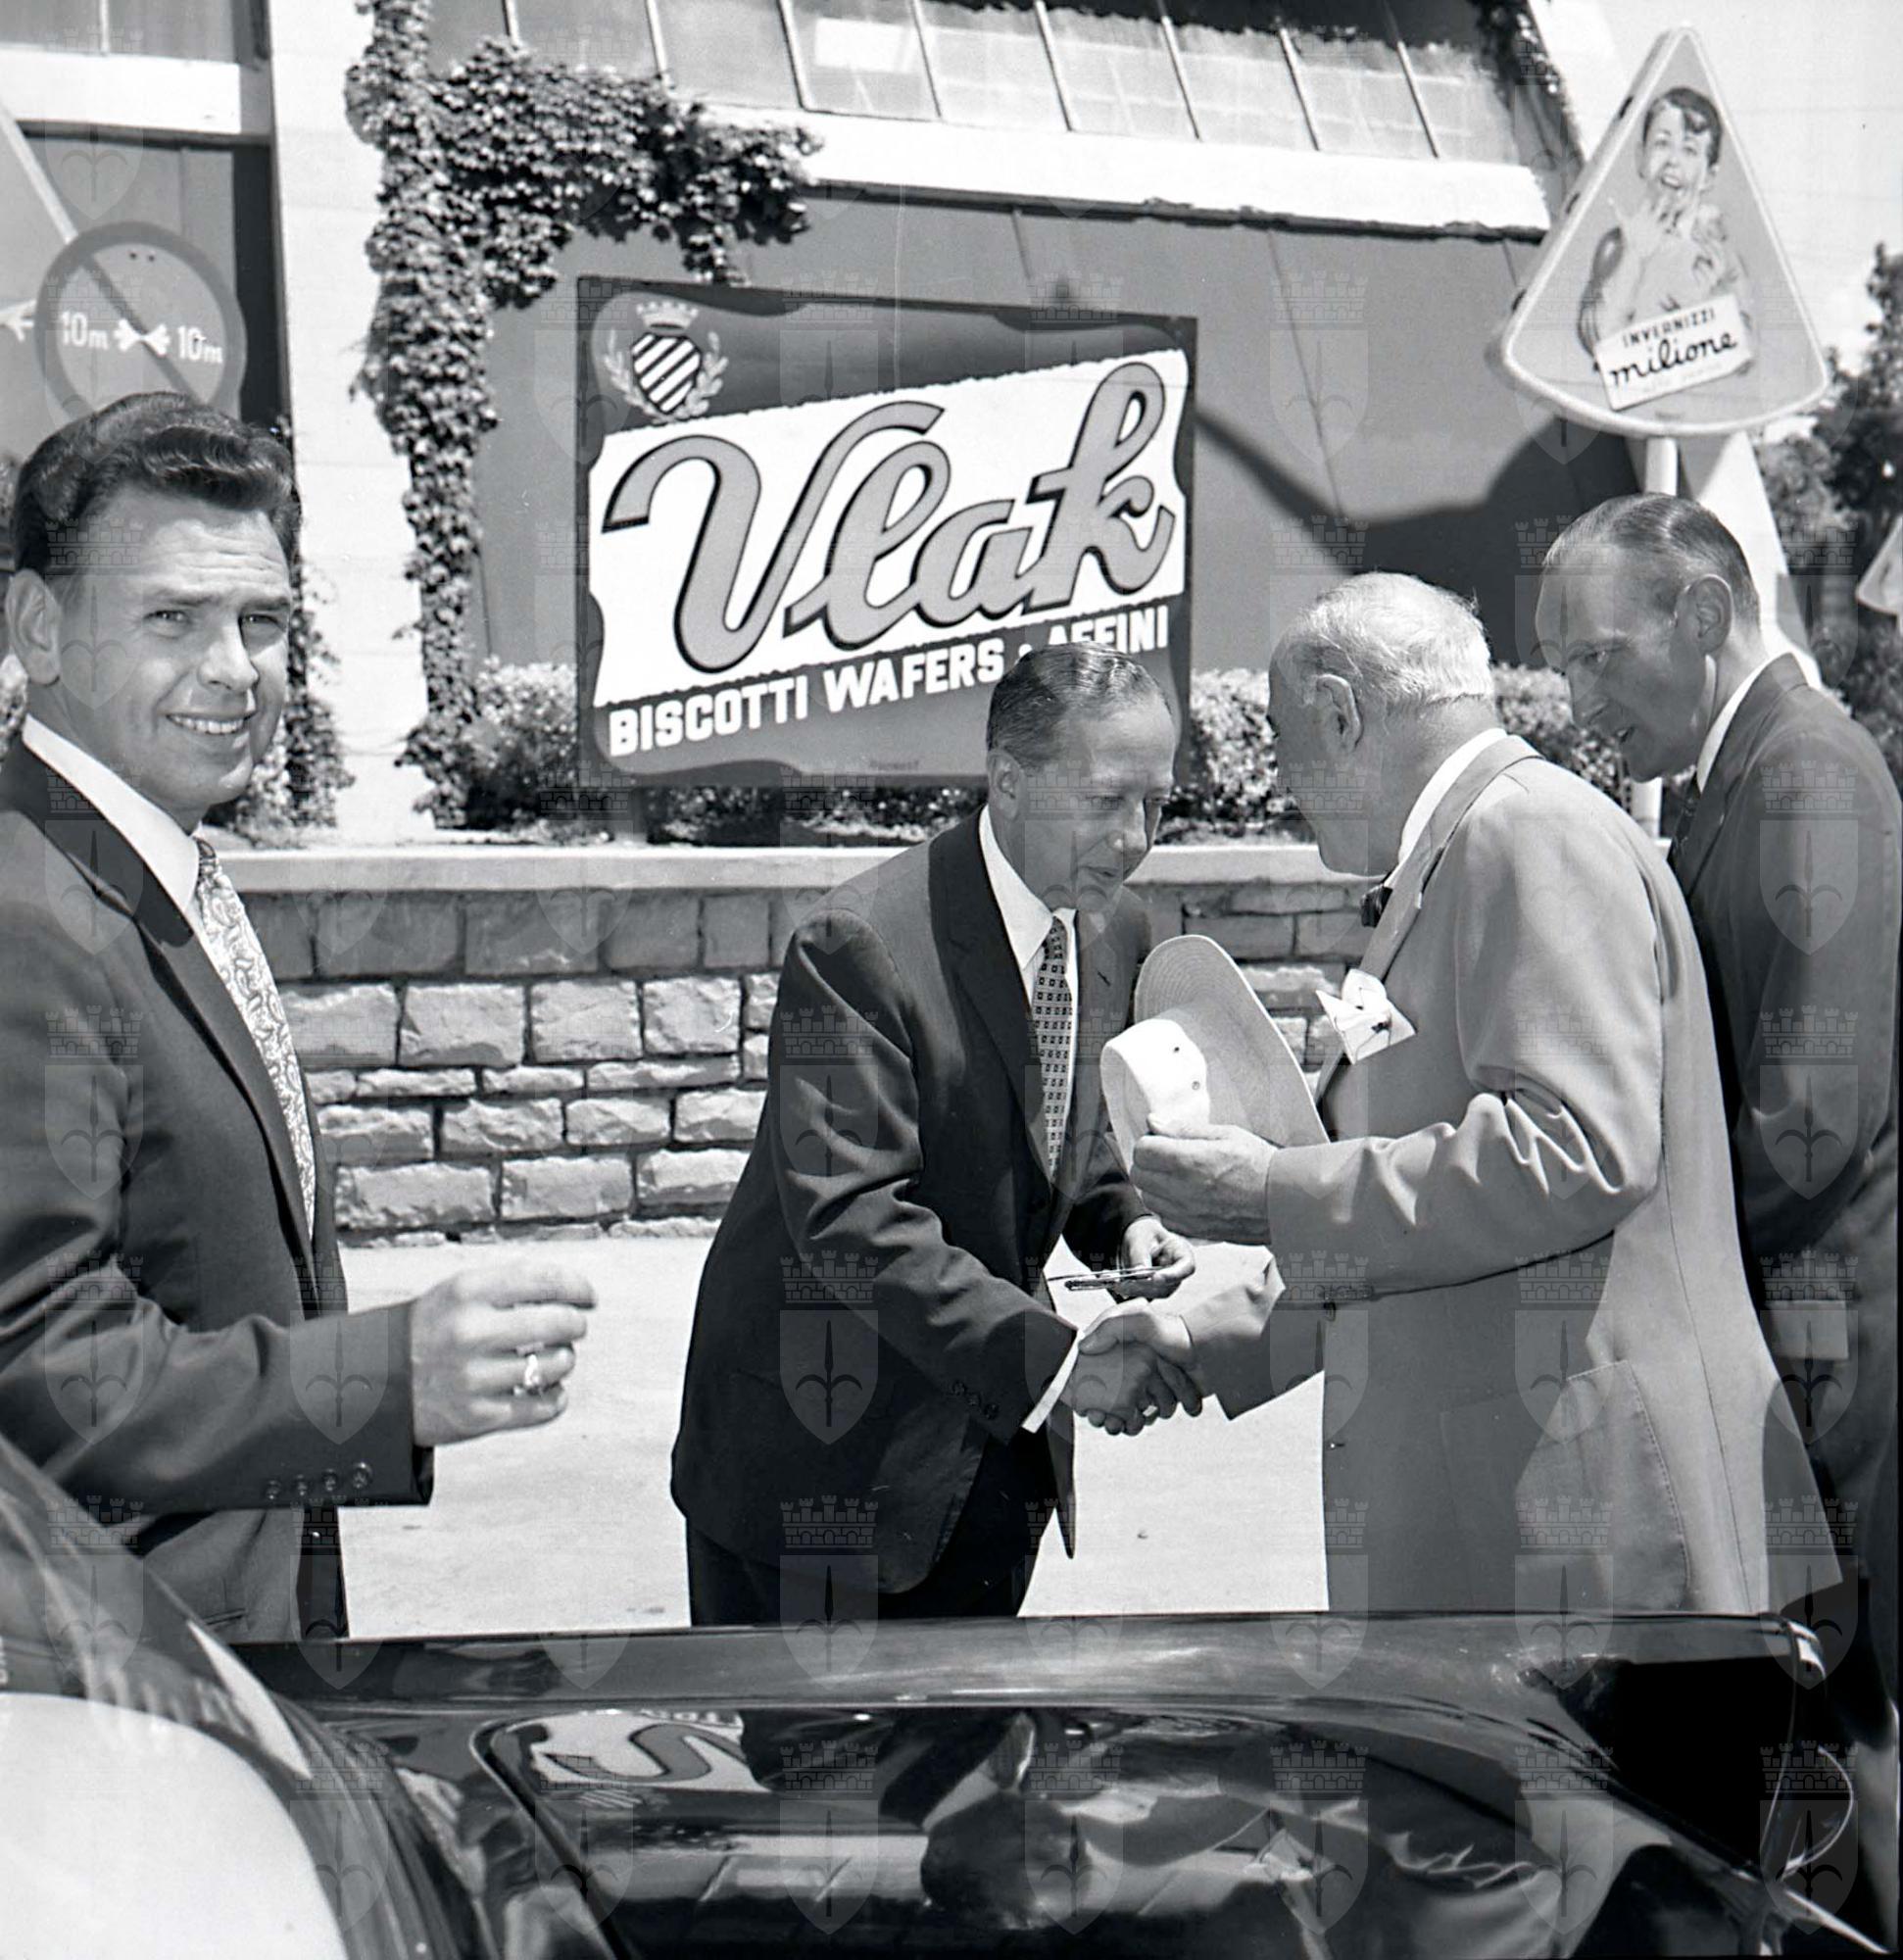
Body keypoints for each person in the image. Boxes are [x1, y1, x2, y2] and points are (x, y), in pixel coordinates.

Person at [1098, 573, 1825, 1617]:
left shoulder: (1525, 834)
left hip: (1589, 1550)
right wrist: (1200, 1339)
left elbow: (1574, 1153)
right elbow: (1414, 1214)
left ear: (1341, 713)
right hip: (1530, 1534)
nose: (1282, 780)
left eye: (1283, 738)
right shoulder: (1474, 844)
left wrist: (1271, 1192)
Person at [0, 394, 595, 1643]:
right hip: (106, 1677)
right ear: (40, 627)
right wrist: (386, 1376)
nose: (235, 668)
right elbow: (39, 1363)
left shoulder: (146, 863)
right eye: (171, 617)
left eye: (262, 620)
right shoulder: (25, 912)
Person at [1537, 495, 1898, 1945]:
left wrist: (1621, 1248)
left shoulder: (1806, 772)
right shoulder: (1741, 769)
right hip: (1772, 1342)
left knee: (1831, 1749)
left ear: (1698, 615)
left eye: (1594, 655)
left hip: (1809, 1362)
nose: (1577, 697)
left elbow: (1808, 1119)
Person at [670, 645, 1196, 1626]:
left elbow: (1059, 1122)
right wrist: (1058, 1363)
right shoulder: (855, 943)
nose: (1135, 839)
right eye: (1105, 801)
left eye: (1156, 804)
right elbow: (849, 1220)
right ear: (1008, 779)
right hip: (820, 1479)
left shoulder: (1117, 925)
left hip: (989, 1480)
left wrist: (1119, 1219)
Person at [1577, 85, 1752, 354]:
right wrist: (1633, 257)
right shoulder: (1616, 247)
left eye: (1689, 150)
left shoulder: (1719, 259)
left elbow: (1744, 351)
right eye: (1662, 143)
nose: (1673, 161)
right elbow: (1600, 340)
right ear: (1640, 158)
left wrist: (1705, 308)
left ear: (1708, 176)